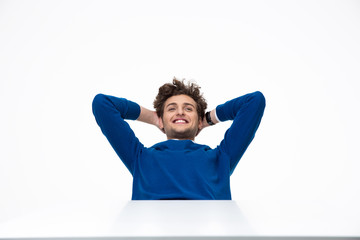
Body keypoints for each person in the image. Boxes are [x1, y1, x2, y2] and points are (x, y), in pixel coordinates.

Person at [92, 78, 265, 200]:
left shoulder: (221, 158)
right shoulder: (140, 158)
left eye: (188, 109)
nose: (180, 112)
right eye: (171, 109)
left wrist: (208, 119)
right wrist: (154, 118)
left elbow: (254, 101)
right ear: (162, 120)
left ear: (198, 121)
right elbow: (102, 104)